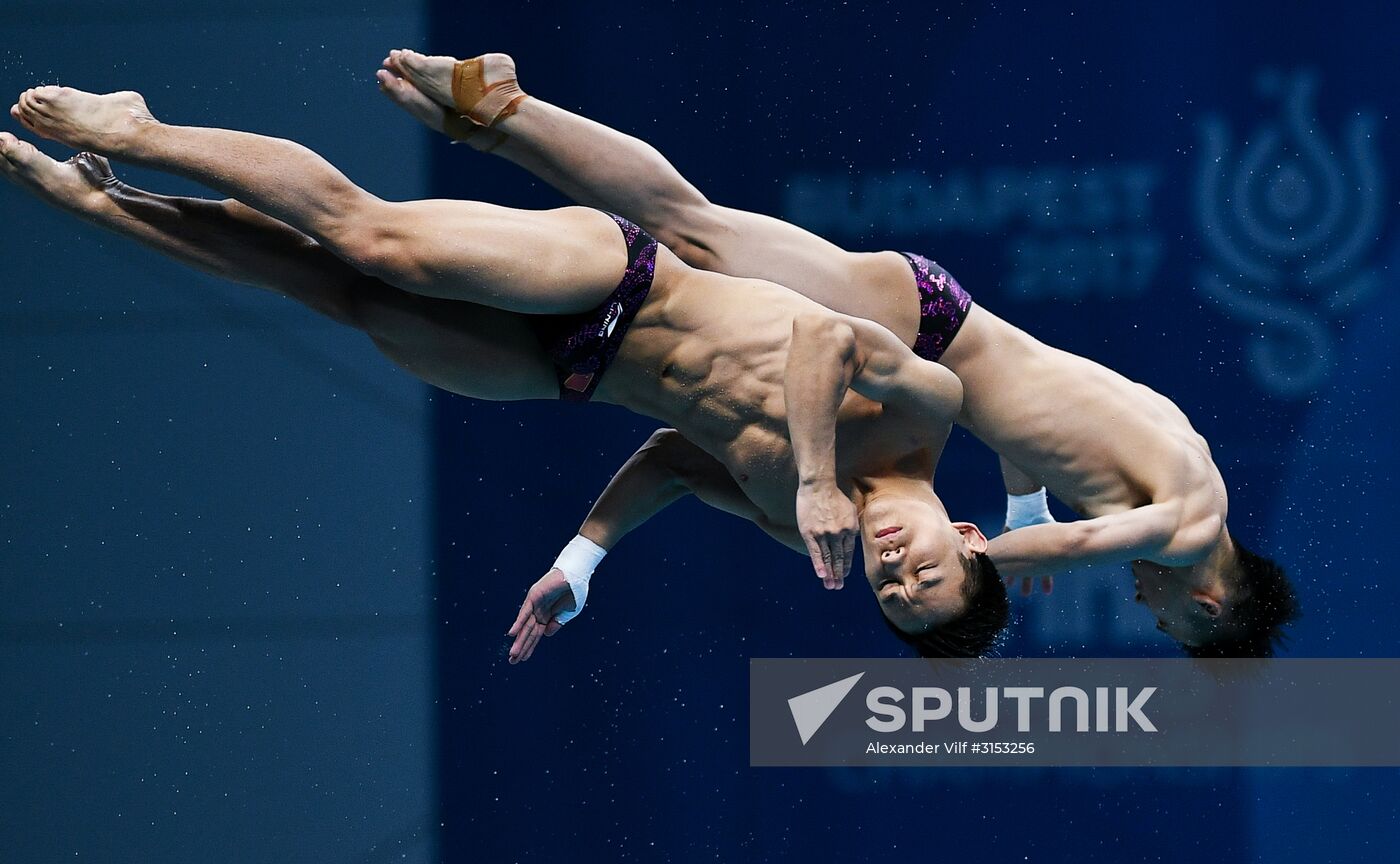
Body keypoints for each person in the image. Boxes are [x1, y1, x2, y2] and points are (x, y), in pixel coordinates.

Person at [2, 83, 1002, 663]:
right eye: (925, 569)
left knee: (346, 299)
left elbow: (672, 460)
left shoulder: (803, 533)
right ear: (963, 535)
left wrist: (582, 561)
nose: (894, 567)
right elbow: (823, 343)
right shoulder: (928, 411)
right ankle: (136, 130)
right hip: (627, 281)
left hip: (563, 372)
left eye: (893, 595)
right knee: (376, 242)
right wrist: (822, 471)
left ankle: (107, 204)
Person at [375, 49, 1299, 657]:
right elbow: (1093, 543)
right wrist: (979, 572)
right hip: (923, 327)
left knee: (692, 234)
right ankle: (508, 107)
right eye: (1167, 623)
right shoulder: (1183, 527)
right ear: (1207, 607)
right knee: (687, 226)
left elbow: (1043, 412)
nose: (1149, 607)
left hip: (941, 324)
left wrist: (1020, 501)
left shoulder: (1187, 456)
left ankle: (502, 113)